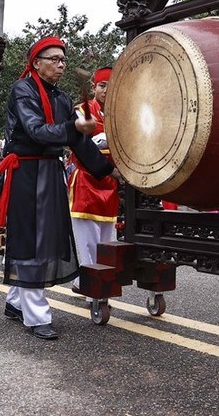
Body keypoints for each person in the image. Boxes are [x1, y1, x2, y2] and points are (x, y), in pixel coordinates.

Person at [0, 37, 117, 340]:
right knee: (31, 239)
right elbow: (36, 130)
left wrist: (108, 170)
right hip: (26, 171)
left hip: (50, 171)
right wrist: (73, 127)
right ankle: (36, 315)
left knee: (43, 237)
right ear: (36, 62)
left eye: (63, 60)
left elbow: (78, 142)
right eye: (54, 59)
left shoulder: (62, 99)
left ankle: (15, 300)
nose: (61, 65)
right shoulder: (23, 90)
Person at [68, 67, 121, 299]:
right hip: (87, 184)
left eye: (111, 86)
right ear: (94, 88)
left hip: (111, 183)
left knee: (107, 242)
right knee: (87, 243)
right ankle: (93, 290)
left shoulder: (119, 114)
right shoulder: (81, 110)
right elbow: (78, 145)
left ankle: (88, 282)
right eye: (102, 86)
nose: (106, 91)